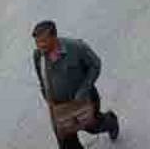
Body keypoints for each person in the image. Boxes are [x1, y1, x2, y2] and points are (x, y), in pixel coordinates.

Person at [32, 21, 120, 149]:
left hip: (83, 100)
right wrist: (47, 96)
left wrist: (84, 89)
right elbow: (41, 78)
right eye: (37, 42)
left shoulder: (76, 48)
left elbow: (95, 65)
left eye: (43, 41)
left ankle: (110, 122)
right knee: (67, 143)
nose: (40, 46)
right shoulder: (38, 55)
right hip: (59, 108)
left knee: (92, 127)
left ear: (54, 37)